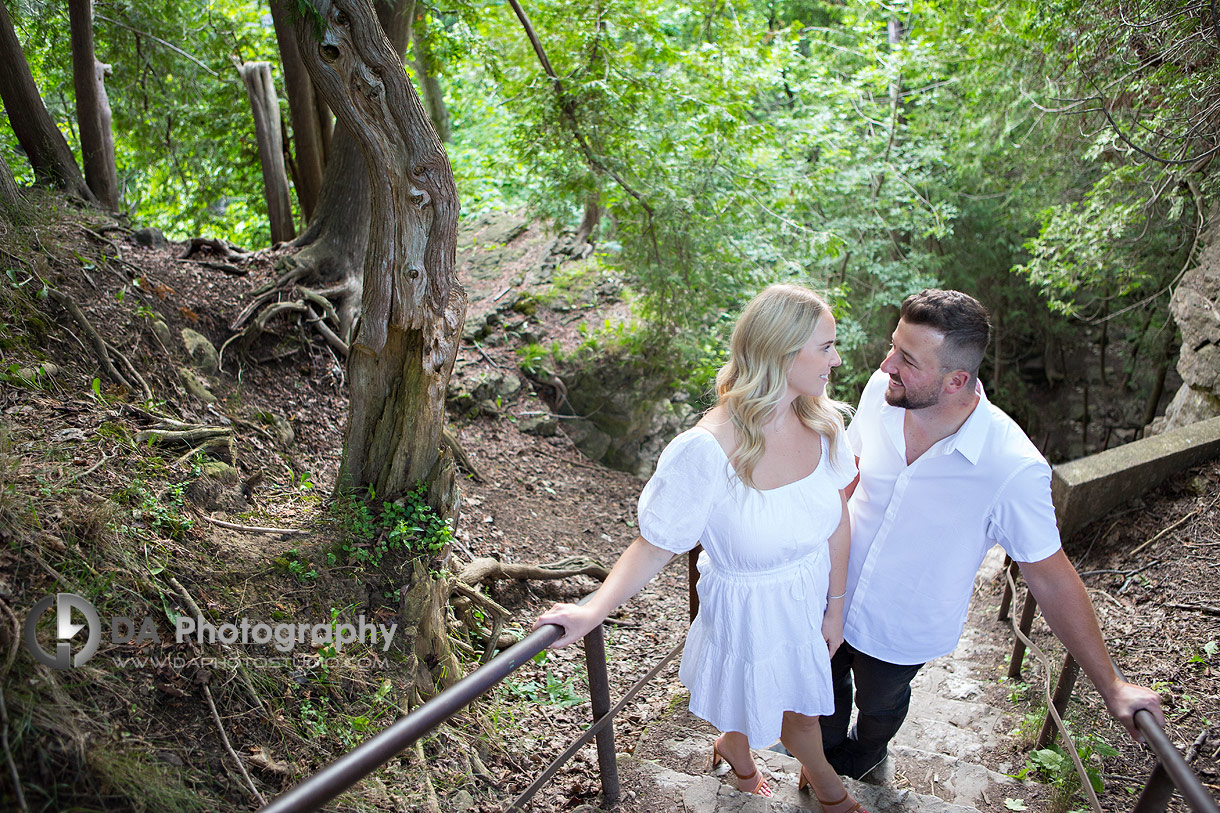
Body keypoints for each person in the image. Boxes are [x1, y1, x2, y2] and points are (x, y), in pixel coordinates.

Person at [534, 284, 869, 811]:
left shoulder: (825, 423)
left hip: (806, 597)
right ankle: (820, 785)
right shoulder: (706, 449)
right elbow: (656, 543)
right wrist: (592, 610)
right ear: (782, 352)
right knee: (777, 707)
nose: (838, 358)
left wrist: (835, 606)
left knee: (797, 703)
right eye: (826, 346)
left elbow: (837, 523)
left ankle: (744, 752)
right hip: (747, 604)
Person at [821, 288, 1166, 780]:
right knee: (823, 699)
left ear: (956, 379)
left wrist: (1111, 684)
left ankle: (866, 758)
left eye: (907, 359)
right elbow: (846, 479)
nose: (886, 364)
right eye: (894, 345)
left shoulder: (1012, 467)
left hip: (903, 629)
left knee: (879, 711)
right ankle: (822, 764)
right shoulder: (882, 392)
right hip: (831, 596)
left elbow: (1049, 577)